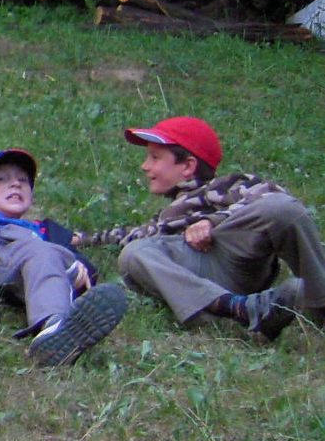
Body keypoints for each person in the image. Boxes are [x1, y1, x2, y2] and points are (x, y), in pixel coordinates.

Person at [79, 115, 324, 341]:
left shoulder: (222, 187)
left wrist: (212, 221)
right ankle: (239, 311)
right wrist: (78, 239)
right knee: (134, 253)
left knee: (282, 208)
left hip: (235, 257)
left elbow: (274, 196)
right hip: (201, 274)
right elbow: (127, 235)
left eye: (155, 157)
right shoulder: (166, 217)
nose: (145, 166)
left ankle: (320, 301)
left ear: (187, 166)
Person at [0, 149, 127, 366]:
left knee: (45, 253)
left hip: (22, 275)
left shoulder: (43, 229)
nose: (16, 184)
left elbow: (77, 261)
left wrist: (80, 268)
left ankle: (55, 328)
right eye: (1, 179)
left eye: (23, 180)